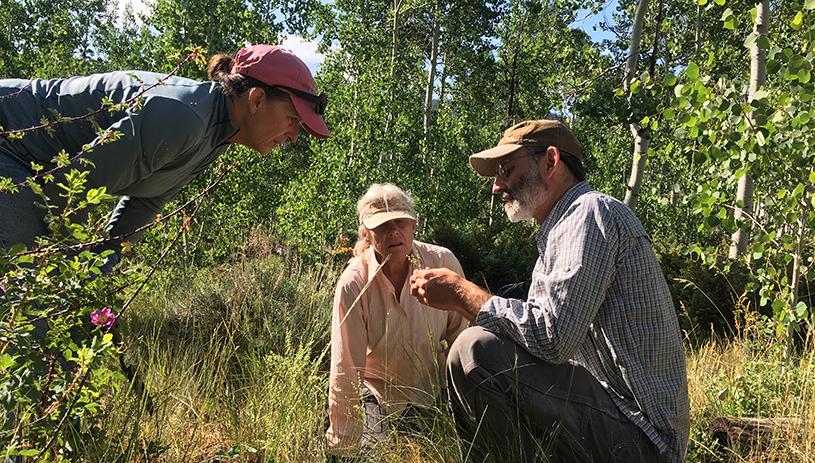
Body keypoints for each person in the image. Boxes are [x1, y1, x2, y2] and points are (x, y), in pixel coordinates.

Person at [409, 120, 689, 462]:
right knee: (478, 344)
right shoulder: (563, 229)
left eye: (507, 170)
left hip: (642, 440)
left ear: (550, 162)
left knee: (473, 351)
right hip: (620, 427)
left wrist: (461, 293)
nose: (497, 186)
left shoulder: (589, 214)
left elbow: (551, 339)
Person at [0, 44, 330, 268]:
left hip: (31, 169)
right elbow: (70, 191)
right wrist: (67, 277)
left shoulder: (218, 134)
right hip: (11, 145)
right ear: (256, 100)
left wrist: (102, 270)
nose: (293, 136)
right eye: (293, 120)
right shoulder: (185, 119)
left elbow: (147, 201)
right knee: (33, 310)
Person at [326, 183, 470, 458]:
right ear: (365, 235)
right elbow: (346, 368)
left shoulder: (442, 264)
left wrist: (464, 407)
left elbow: (461, 338)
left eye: (401, 222)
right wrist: (342, 447)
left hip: (433, 389)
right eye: (382, 226)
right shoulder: (354, 284)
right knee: (377, 456)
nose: (393, 232)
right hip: (378, 393)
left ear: (413, 227)